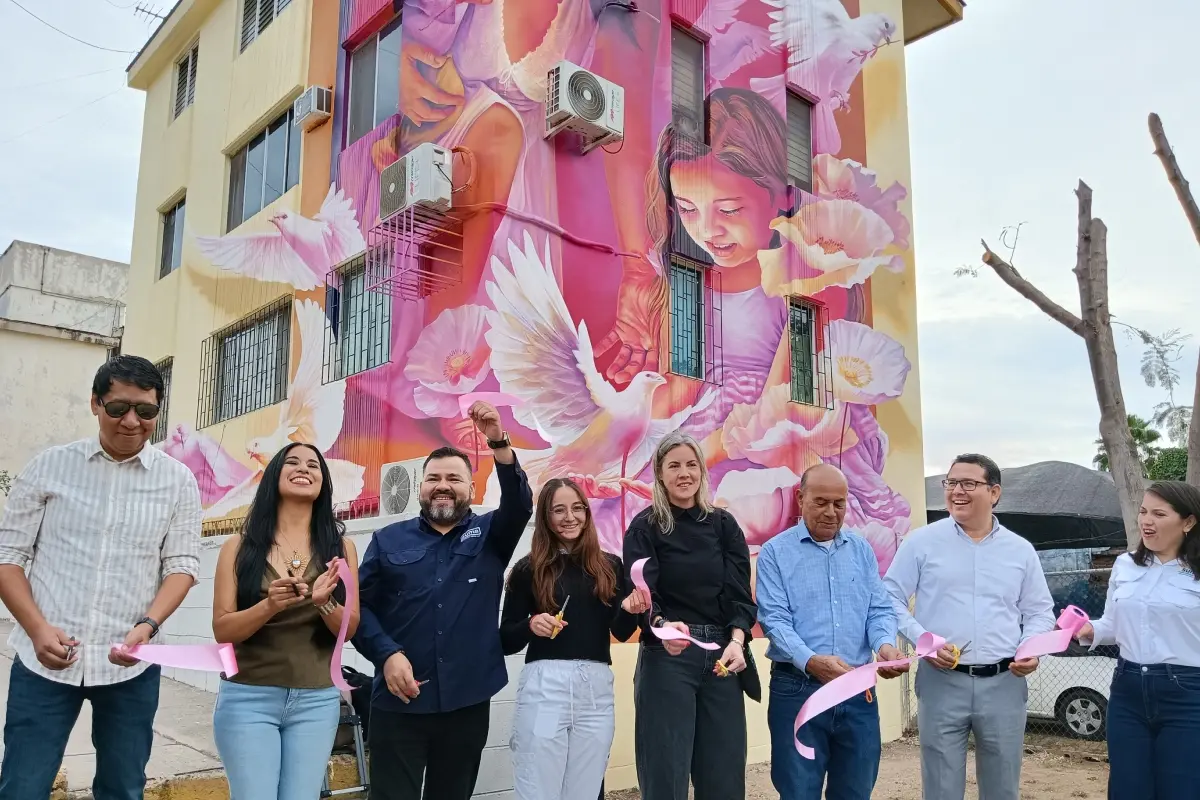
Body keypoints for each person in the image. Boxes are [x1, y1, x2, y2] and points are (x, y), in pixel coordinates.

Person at [0, 356, 201, 799]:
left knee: (123, 788)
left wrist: (148, 626)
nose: (132, 421)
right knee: (22, 787)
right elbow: (8, 558)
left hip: (131, 666)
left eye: (145, 411)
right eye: (118, 408)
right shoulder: (49, 467)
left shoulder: (178, 481)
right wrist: (37, 630)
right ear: (95, 403)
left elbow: (182, 565)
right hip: (44, 662)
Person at [352, 401, 533, 800]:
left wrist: (497, 441)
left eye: (454, 478)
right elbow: (357, 609)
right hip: (398, 701)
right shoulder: (388, 540)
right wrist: (386, 654)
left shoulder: (491, 535)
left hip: (466, 702)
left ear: (471, 489)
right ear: (421, 487)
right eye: (433, 478)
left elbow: (520, 504)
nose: (443, 485)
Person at [884, 453, 1055, 800]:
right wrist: (923, 641)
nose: (956, 491)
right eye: (951, 483)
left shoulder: (1020, 550)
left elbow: (1040, 611)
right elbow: (889, 598)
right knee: (941, 787)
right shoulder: (920, 542)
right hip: (941, 681)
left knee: (1002, 786)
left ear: (994, 492)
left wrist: (1032, 647)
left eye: (968, 483)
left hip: (1005, 682)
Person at [210, 442, 360, 800]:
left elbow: (350, 628)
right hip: (248, 697)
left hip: (316, 700)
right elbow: (222, 629)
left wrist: (324, 604)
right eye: (292, 462)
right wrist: (269, 606)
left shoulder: (341, 550)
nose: (303, 468)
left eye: (313, 465)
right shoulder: (239, 547)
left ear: (323, 483)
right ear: (274, 475)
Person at [756, 463, 906, 800]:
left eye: (839, 503)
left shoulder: (860, 550)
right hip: (798, 689)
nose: (831, 512)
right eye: (821, 502)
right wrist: (811, 661)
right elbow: (774, 621)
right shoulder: (775, 553)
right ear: (800, 498)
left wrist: (884, 645)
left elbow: (878, 609)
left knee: (856, 791)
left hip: (857, 691)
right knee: (798, 792)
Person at [622, 431, 758, 800]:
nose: (684, 473)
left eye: (691, 464)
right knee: (665, 774)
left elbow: (739, 595)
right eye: (674, 466)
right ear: (659, 473)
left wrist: (737, 640)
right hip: (668, 657)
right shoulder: (645, 527)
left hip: (722, 657)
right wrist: (663, 628)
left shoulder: (724, 525)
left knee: (724, 774)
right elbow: (643, 594)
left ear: (701, 470)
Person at [499, 477, 650, 800]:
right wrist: (531, 625)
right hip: (545, 686)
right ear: (545, 516)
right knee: (538, 785)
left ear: (586, 512)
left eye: (577, 508)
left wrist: (630, 609)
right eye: (559, 510)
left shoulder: (609, 566)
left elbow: (621, 632)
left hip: (595, 689)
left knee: (586, 787)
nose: (570, 517)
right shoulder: (528, 569)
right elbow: (506, 640)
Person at [1073, 481, 1200, 800]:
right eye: (1143, 512)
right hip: (1127, 691)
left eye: (1159, 514)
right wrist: (1089, 630)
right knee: (1128, 788)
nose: (1147, 521)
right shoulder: (1125, 564)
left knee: (1182, 788)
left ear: (1188, 522)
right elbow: (1112, 625)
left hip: (1188, 695)